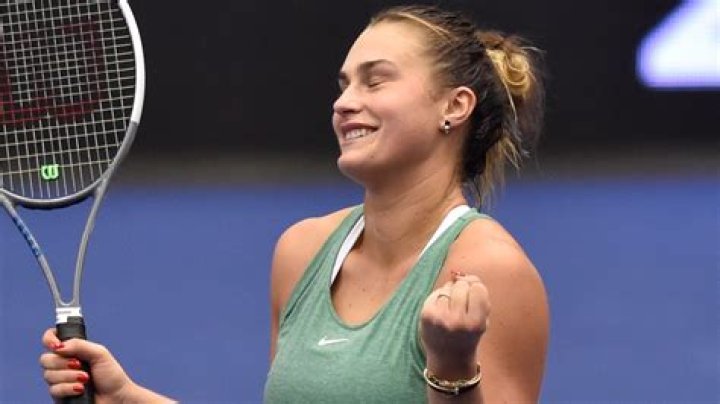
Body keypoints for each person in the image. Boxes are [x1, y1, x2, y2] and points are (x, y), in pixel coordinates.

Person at [40, 4, 549, 403]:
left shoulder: (491, 269)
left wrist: (452, 367)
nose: (344, 103)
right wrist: (128, 398)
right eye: (344, 85)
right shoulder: (301, 251)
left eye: (375, 80)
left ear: (455, 106)